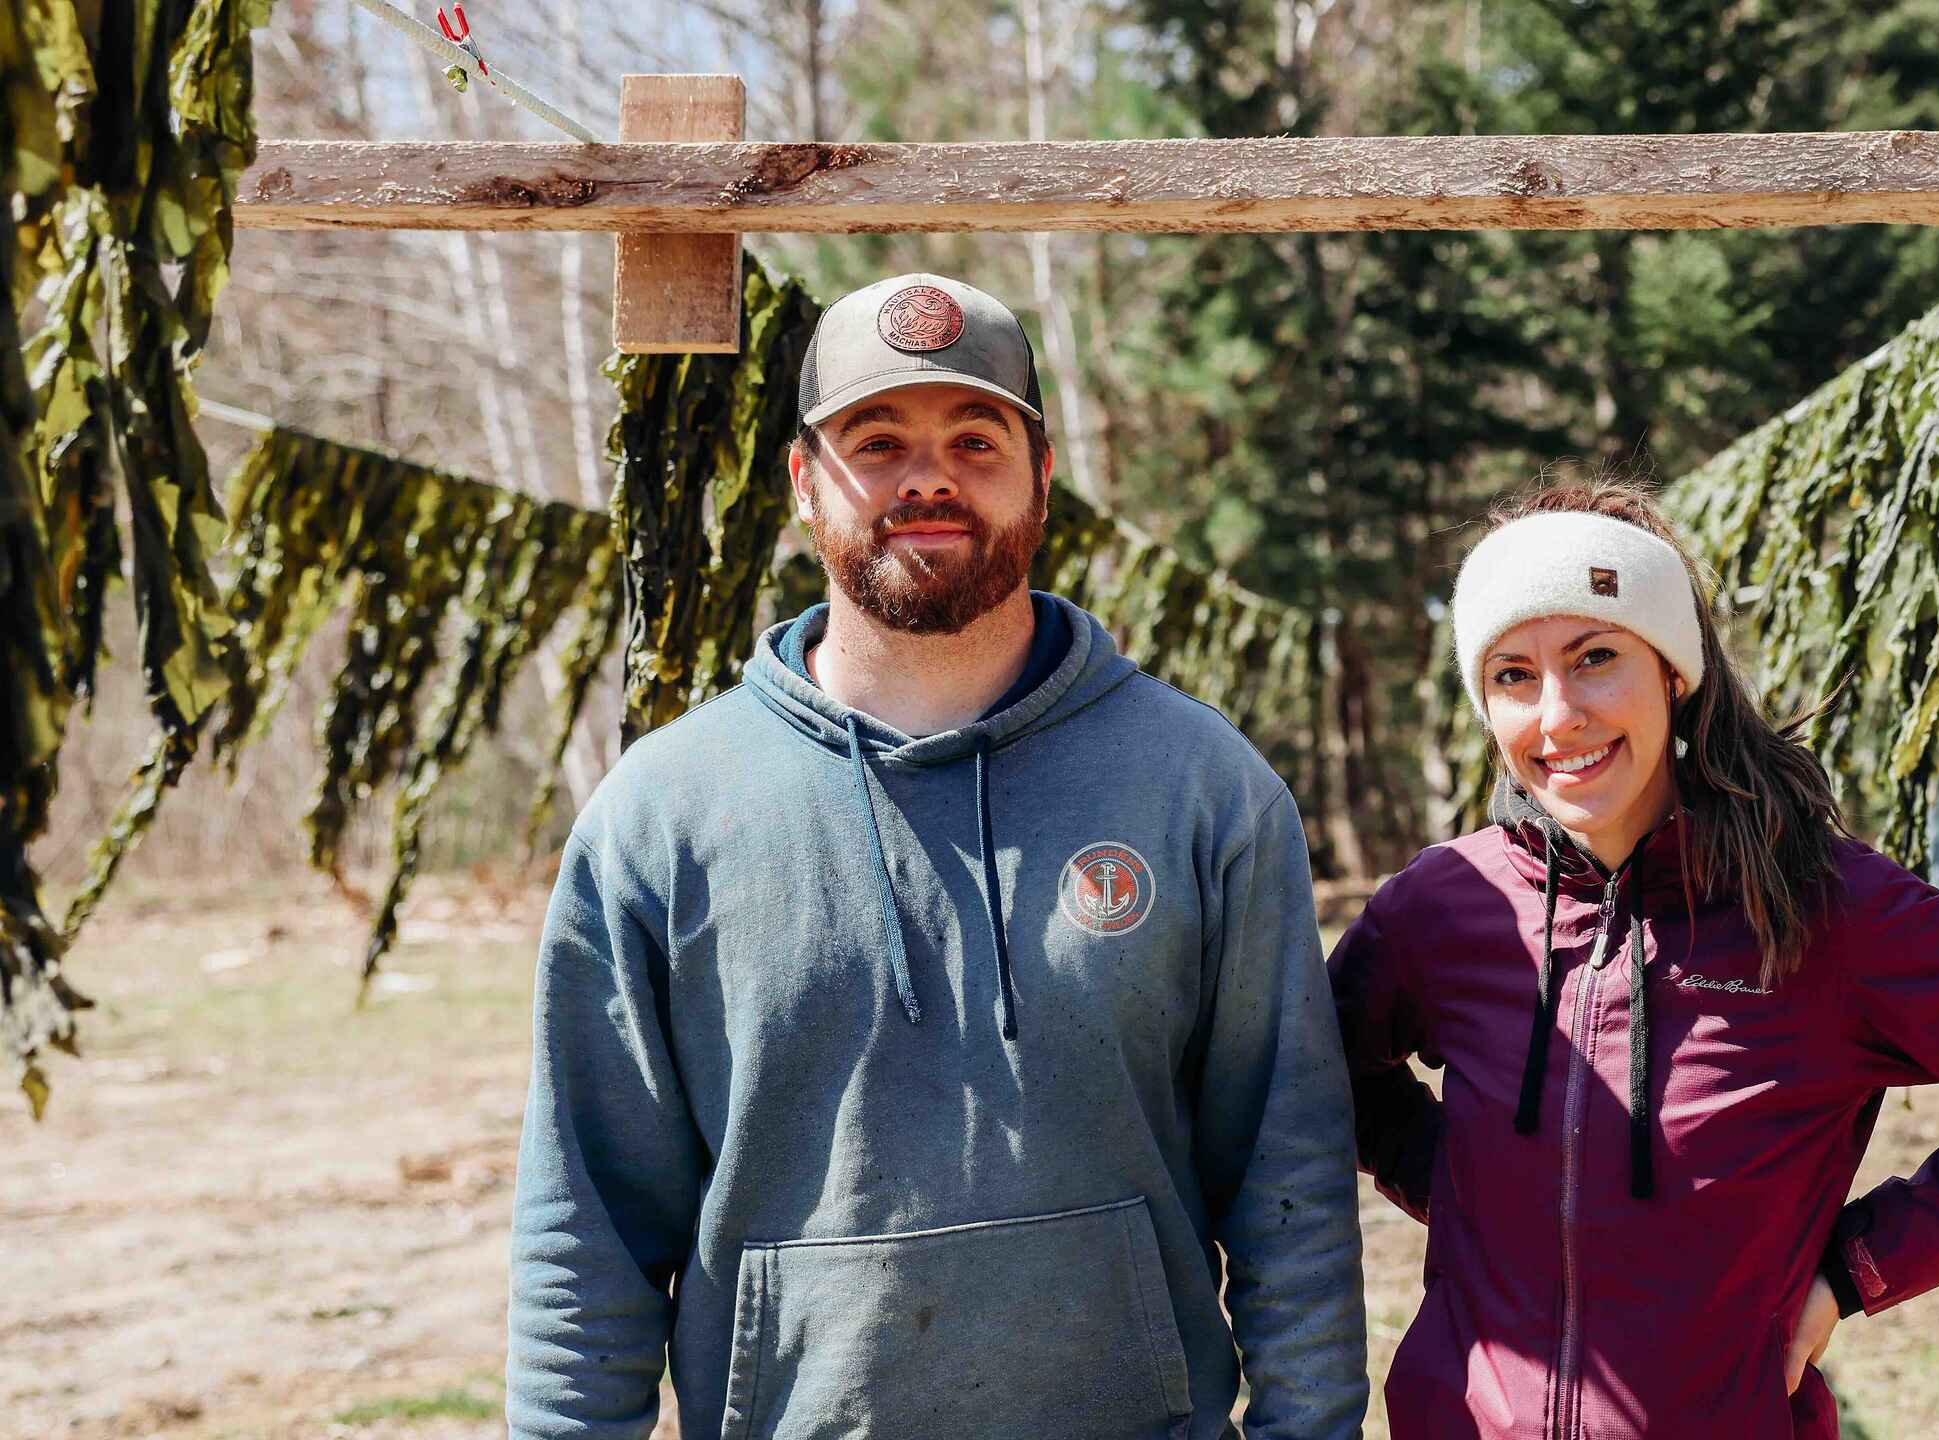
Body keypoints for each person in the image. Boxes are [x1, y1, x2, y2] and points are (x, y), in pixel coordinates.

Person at [506, 272, 1368, 1440]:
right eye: (878, 440)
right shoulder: (662, 818)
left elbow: (1290, 1185)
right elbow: (585, 1233)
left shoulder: (1202, 788)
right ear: (806, 481)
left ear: (1041, 476)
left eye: (976, 437)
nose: (929, 478)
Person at [1329, 477, 1939, 1439]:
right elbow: (1332, 1071)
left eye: (1596, 657)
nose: (1558, 715)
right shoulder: (1445, 907)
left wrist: (1850, 1274)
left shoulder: (1828, 908)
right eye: (1513, 676)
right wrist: (1465, 1188)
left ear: (1674, 673)